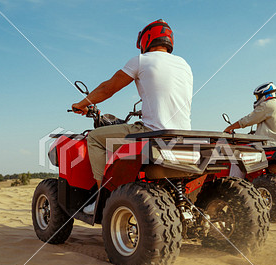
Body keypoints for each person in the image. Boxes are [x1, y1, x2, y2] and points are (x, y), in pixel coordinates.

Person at [71, 19, 193, 214]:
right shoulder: (184, 64)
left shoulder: (141, 60)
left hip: (152, 133)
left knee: (94, 138)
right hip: (182, 135)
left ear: (146, 39)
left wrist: (82, 103)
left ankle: (103, 197)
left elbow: (107, 88)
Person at [224, 82, 276, 146]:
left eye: (257, 97)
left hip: (270, 145)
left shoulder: (267, 105)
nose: (257, 99)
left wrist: (229, 128)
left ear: (264, 95)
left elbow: (247, 120)